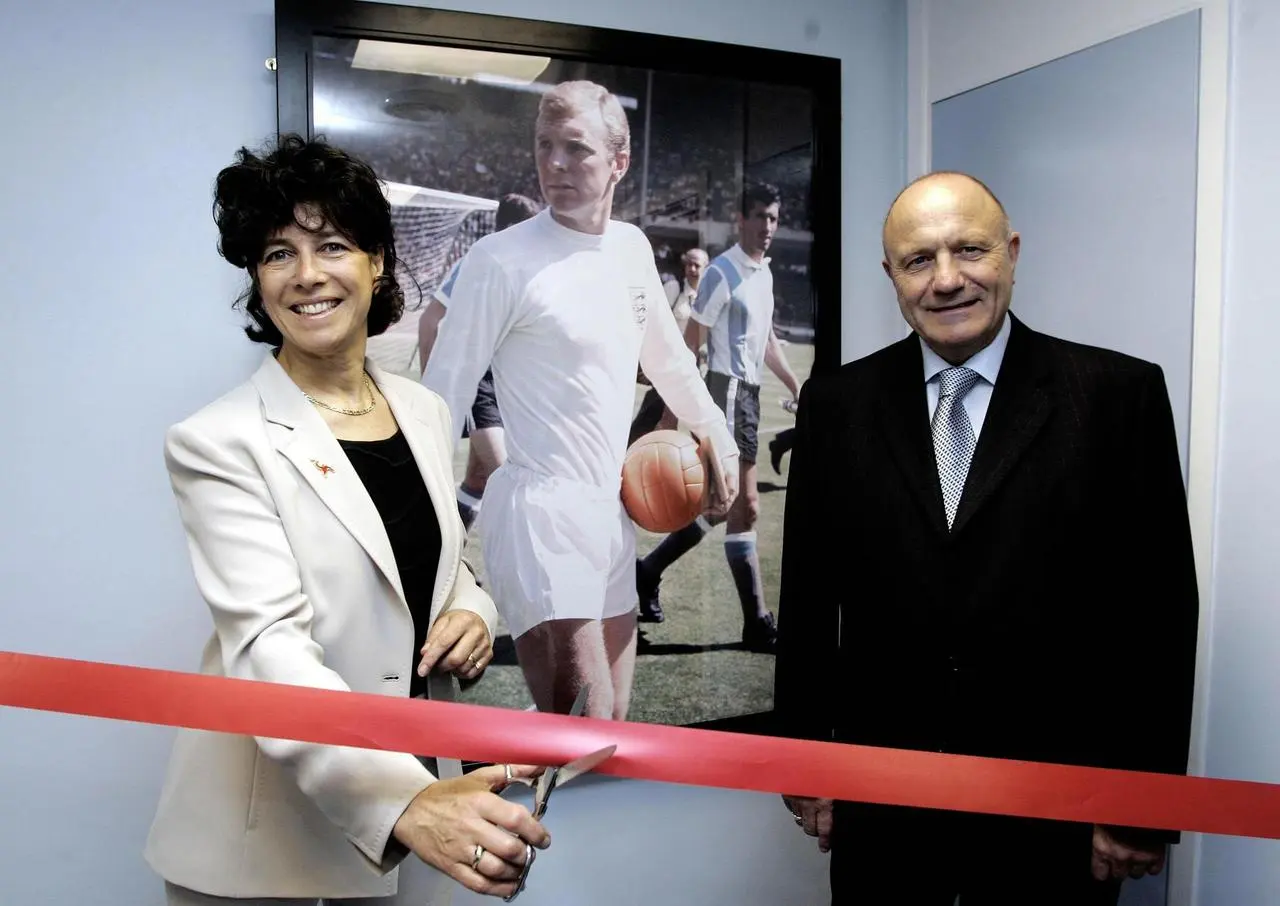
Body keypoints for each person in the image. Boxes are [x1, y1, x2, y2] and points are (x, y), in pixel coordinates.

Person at [144, 134, 551, 906]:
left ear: (376, 263)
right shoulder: (217, 440)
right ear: (257, 280)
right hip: (265, 844)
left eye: (331, 244)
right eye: (276, 253)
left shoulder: (426, 412)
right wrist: (402, 803)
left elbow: (439, 565)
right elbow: (269, 646)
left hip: (417, 810)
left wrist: (472, 608)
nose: (305, 275)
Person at [773, 170, 1199, 904]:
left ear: (1011, 253)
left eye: (970, 250)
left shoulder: (1116, 398)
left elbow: (1158, 614)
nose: (946, 281)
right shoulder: (836, 405)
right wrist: (809, 769)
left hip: (1058, 818)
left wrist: (1140, 805)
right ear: (890, 275)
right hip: (885, 811)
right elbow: (809, 604)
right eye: (918, 260)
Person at [422, 80, 739, 721]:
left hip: (610, 506)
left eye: (576, 149)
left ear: (619, 161)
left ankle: (504, 792)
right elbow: (442, 396)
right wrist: (417, 527)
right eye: (545, 147)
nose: (556, 165)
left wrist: (717, 434)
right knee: (585, 724)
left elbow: (670, 361)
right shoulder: (499, 260)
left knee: (611, 726)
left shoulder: (630, 248)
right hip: (541, 513)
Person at [634, 182, 802, 648]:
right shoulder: (721, 272)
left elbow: (767, 342)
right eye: (760, 217)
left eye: (774, 217)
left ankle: (647, 572)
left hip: (748, 394)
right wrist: (671, 414)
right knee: (742, 505)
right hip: (724, 391)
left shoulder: (763, 274)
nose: (768, 227)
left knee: (724, 505)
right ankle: (758, 622)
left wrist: (795, 385)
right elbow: (688, 348)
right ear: (740, 219)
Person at [418, 193, 542, 532]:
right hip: (479, 384)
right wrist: (432, 387)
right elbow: (429, 320)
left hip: (509, 386)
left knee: (479, 479)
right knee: (508, 477)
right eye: (530, 228)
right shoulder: (478, 261)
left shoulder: (526, 267)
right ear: (512, 229)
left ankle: (444, 557)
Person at [628, 246, 710, 445]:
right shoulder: (674, 289)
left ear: (706, 268)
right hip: (668, 361)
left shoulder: (708, 297)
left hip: (695, 365)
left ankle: (707, 465)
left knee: (700, 419)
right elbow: (652, 320)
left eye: (697, 265)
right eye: (688, 263)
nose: (691, 269)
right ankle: (630, 450)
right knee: (656, 410)